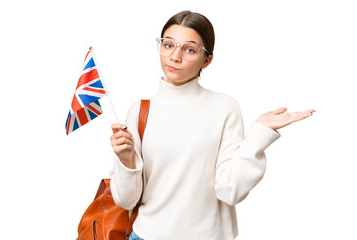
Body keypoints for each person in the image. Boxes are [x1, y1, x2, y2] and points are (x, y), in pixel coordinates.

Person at [109, 11, 315, 240]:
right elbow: (126, 201)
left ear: (207, 59)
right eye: (168, 45)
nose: (174, 56)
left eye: (189, 49)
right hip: (146, 235)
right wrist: (126, 161)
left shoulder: (224, 108)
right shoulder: (139, 111)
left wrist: (260, 133)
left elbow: (230, 189)